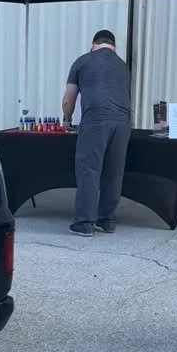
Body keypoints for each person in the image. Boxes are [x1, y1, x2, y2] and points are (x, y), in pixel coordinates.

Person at [61, 29, 131, 237]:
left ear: (93, 45)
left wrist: (67, 120)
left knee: (89, 171)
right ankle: (107, 220)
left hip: (95, 120)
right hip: (122, 123)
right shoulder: (123, 66)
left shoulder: (82, 61)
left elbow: (68, 99)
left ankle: (84, 223)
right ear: (114, 47)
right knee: (114, 172)